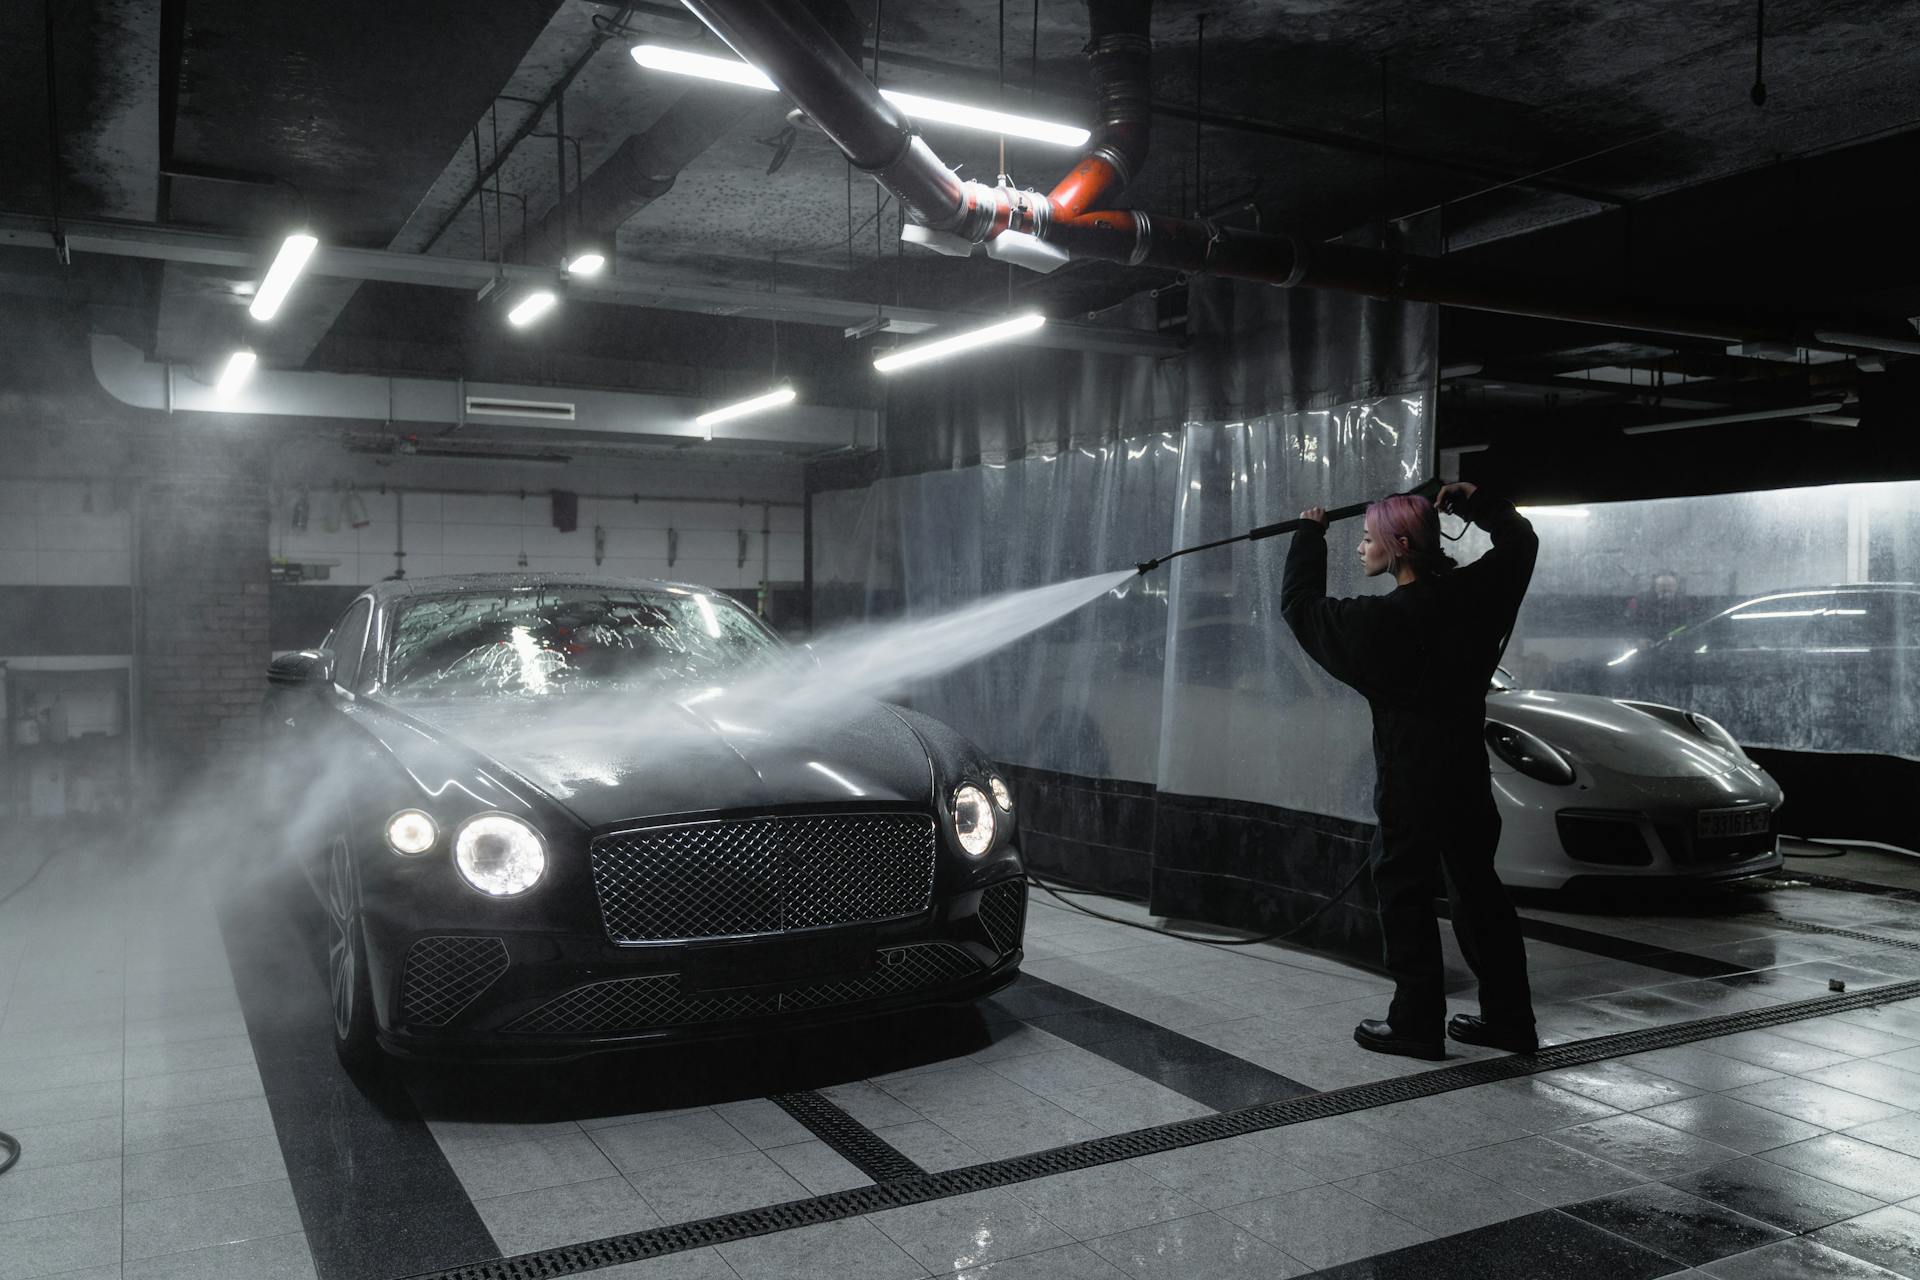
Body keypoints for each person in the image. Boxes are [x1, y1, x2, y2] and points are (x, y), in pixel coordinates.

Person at [1281, 481, 1539, 1059]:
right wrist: (1477, 499)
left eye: (1368, 539)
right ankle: (1510, 1022)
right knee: (1477, 889)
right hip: (1467, 773)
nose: (1360, 548)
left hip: (1411, 776)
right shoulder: (1476, 595)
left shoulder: (1381, 623)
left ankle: (1417, 1023)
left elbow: (1299, 608)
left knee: (1404, 890)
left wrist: (1309, 535)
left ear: (1399, 544)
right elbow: (1520, 540)